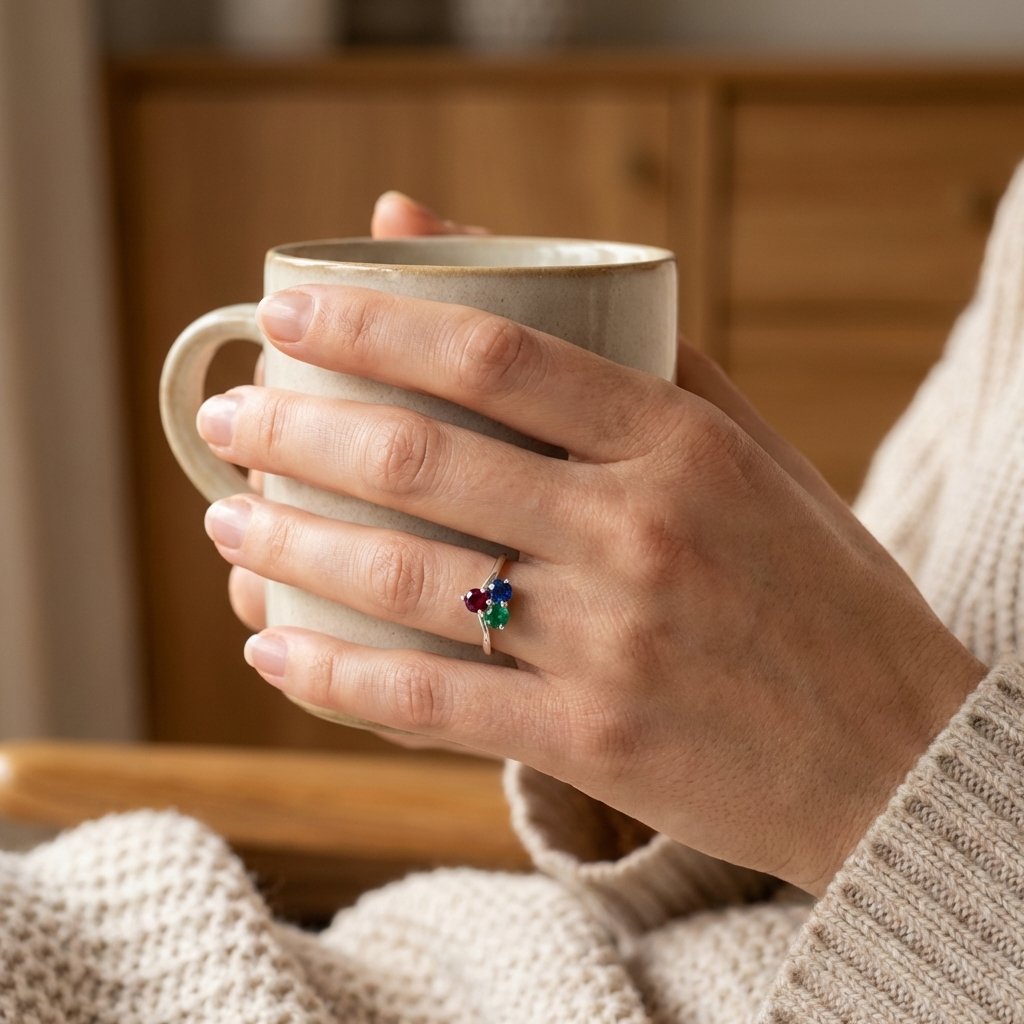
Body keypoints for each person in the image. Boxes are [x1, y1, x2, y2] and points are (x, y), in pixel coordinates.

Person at [3, 173, 1024, 1021]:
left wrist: (892, 792)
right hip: (523, 959)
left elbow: (866, 737)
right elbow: (824, 687)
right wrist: (614, 718)